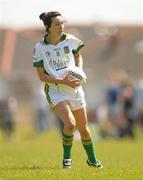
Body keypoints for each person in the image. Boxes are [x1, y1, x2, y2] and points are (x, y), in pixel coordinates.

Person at [33, 11, 103, 169]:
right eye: (57, 24)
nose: (61, 26)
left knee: (84, 130)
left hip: (75, 89)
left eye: (62, 23)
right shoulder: (40, 48)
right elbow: (42, 76)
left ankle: (92, 161)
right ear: (48, 27)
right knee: (70, 125)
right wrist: (63, 80)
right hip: (55, 90)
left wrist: (79, 71)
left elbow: (78, 56)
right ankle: (66, 160)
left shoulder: (71, 40)